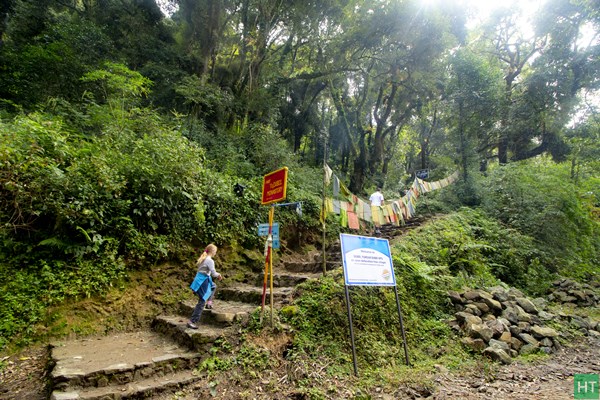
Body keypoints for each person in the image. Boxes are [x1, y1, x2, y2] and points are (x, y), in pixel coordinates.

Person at [187, 244, 223, 329]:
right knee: (201, 301)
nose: (215, 253)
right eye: (215, 251)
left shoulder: (203, 258)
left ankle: (209, 303)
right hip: (202, 281)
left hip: (200, 279)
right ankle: (192, 321)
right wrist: (219, 275)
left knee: (213, 286)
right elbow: (214, 274)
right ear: (213, 251)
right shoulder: (209, 260)